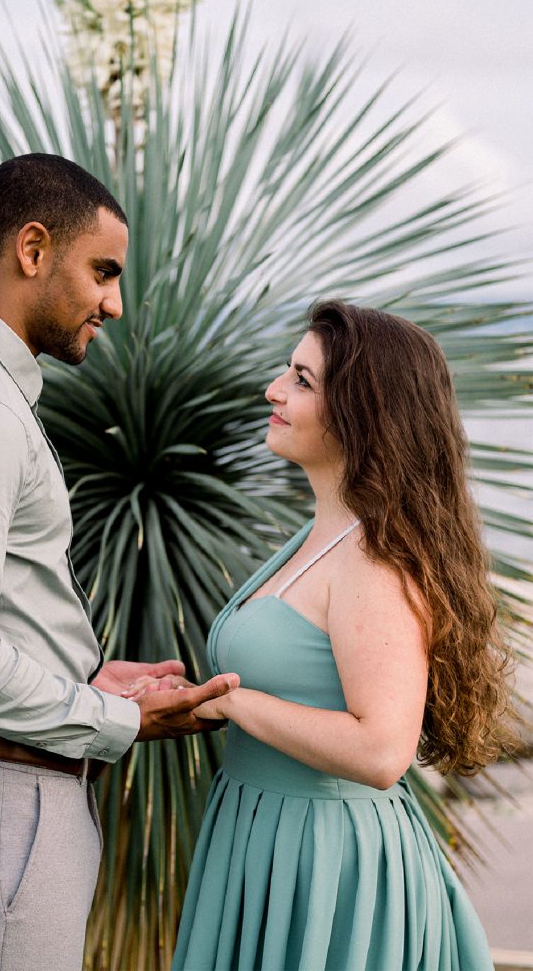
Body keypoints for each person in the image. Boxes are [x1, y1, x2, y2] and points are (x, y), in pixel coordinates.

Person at [0, 153, 239, 971]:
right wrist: (119, 720)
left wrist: (84, 686)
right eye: (102, 271)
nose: (116, 302)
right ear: (32, 250)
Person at [163, 300, 518, 971]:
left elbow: (381, 750)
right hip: (265, 839)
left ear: (361, 411)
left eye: (301, 379)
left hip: (325, 864)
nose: (273, 388)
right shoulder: (323, 535)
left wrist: (232, 702)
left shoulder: (373, 559)